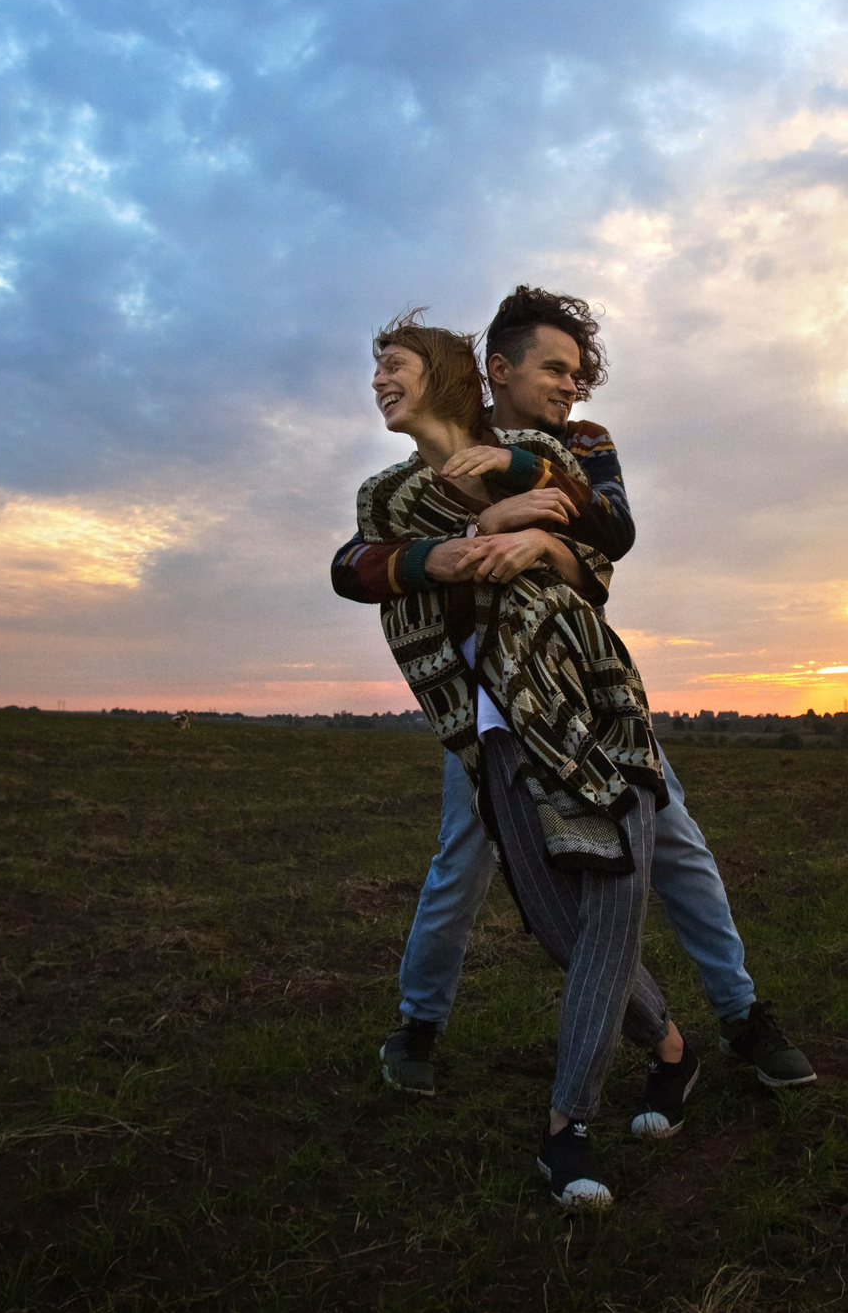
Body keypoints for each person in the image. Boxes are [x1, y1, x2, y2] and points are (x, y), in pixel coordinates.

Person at [333, 287, 813, 1103]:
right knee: (464, 858)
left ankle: (742, 1015)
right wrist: (452, 547)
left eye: (578, 373)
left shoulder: (581, 443)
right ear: (498, 369)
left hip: (586, 683)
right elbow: (354, 561)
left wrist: (541, 535)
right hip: (483, 698)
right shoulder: (436, 457)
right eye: (555, 369)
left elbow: (612, 532)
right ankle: (419, 1023)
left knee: (676, 842)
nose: (571, 386)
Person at [345, 310, 693, 1209]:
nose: (378, 380)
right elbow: (356, 566)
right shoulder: (387, 496)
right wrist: (477, 534)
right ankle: (669, 1048)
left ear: (444, 374)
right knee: (555, 924)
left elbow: (595, 537)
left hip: (590, 702)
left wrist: (524, 513)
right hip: (491, 727)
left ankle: (565, 1129)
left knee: (615, 900)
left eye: (393, 364)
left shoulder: (540, 451)